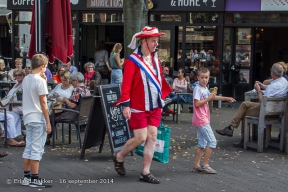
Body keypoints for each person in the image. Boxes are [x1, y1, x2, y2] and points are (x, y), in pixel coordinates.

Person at [113, 26, 171, 184]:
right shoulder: (132, 61)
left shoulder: (154, 58)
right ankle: (119, 156)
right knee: (141, 137)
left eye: (156, 40)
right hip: (138, 105)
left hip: (155, 105)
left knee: (152, 137)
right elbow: (126, 85)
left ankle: (145, 172)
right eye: (153, 40)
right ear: (144, 41)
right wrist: (125, 105)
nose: (156, 43)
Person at [215, 63, 288, 148]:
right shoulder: (284, 82)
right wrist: (262, 85)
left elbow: (262, 102)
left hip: (266, 110)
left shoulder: (273, 86)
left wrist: (258, 91)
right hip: (277, 110)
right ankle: (230, 127)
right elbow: (273, 89)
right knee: (244, 104)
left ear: (272, 73)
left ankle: (242, 138)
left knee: (243, 112)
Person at [191, 67, 235, 174]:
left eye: (206, 77)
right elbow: (197, 103)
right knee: (212, 141)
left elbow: (212, 97)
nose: (204, 80)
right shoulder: (198, 89)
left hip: (203, 118)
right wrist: (209, 99)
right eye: (202, 77)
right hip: (201, 119)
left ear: (209, 78)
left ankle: (196, 165)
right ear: (198, 78)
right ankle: (205, 165)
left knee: (202, 142)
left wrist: (226, 98)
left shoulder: (205, 88)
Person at [21, 54, 52, 188]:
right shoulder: (40, 81)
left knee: (29, 147)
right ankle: (35, 178)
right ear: (42, 66)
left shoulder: (26, 79)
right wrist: (48, 121)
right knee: (36, 149)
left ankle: (26, 176)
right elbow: (43, 103)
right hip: (38, 117)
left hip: (28, 116)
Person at [49, 72, 91, 139]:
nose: (71, 83)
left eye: (72, 81)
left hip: (75, 115)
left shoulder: (77, 90)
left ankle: (48, 138)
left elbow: (72, 105)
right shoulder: (86, 89)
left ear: (76, 80)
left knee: (51, 117)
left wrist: (65, 100)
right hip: (85, 115)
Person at [0, 69, 26, 146]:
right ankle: (7, 136)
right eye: (16, 75)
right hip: (11, 106)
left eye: (20, 75)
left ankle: (8, 137)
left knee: (11, 116)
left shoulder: (25, 84)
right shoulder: (15, 84)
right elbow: (9, 97)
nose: (18, 76)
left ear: (23, 75)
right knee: (9, 115)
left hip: (19, 106)